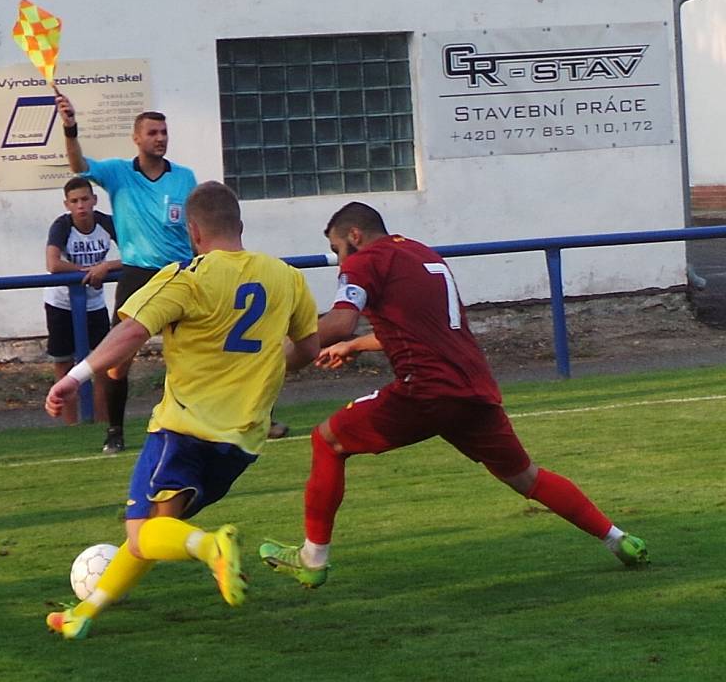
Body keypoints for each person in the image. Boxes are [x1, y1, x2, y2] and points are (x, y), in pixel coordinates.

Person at [259, 201, 649, 589]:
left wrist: (274, 360)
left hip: (426, 391)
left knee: (327, 440)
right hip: (473, 390)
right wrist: (358, 345)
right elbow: (424, 329)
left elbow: (339, 321)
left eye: (338, 248)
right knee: (526, 477)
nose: (339, 260)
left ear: (354, 236)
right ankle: (619, 540)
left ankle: (313, 558)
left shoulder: (364, 261)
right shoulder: (420, 253)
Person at [44, 181, 320, 640]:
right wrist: (262, 368)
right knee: (155, 529)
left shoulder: (187, 276)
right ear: (240, 226)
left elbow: (132, 332)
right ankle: (86, 612)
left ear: (193, 230)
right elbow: (308, 346)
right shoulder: (285, 276)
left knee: (140, 534)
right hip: (242, 441)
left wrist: (74, 378)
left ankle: (211, 546)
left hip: (183, 428)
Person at [56, 92, 197, 454]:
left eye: (164, 132)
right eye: (152, 132)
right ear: (137, 138)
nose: (160, 138)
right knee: (118, 361)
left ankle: (211, 421)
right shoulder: (119, 172)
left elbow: (196, 226)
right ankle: (115, 431)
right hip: (138, 276)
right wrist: (70, 128)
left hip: (181, 274)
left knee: (198, 353)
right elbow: (78, 166)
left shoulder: (184, 177)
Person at [44, 177, 121, 425]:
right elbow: (53, 263)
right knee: (63, 362)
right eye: (75, 201)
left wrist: (107, 266)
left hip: (94, 303)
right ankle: (70, 425)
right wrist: (86, 271)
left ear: (94, 200)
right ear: (67, 204)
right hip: (61, 302)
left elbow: (134, 253)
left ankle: (101, 422)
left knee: (102, 363)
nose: (81, 206)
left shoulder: (106, 224)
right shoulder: (62, 226)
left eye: (85, 199)